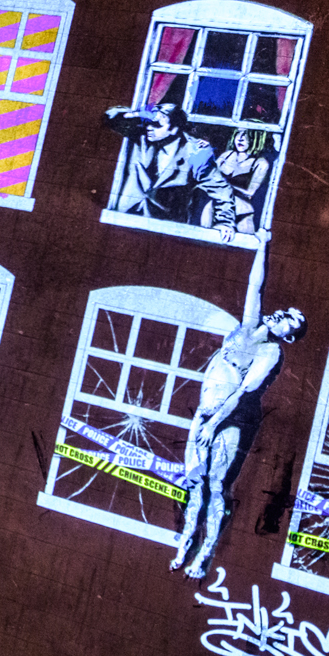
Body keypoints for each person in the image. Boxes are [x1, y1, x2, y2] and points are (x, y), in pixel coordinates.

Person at [172, 233, 305, 578]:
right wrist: (263, 244)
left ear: (288, 335)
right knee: (195, 483)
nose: (282, 315)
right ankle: (186, 540)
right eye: (285, 312)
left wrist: (214, 424)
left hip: (229, 422)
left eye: (291, 320)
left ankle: (204, 553)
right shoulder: (247, 327)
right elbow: (255, 285)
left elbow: (244, 393)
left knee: (216, 486)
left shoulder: (270, 352)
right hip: (205, 415)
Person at [105, 103, 236, 234]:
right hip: (123, 219)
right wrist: (138, 114)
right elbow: (109, 117)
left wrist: (224, 223)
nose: (149, 128)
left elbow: (221, 189)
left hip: (165, 228)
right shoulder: (141, 137)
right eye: (148, 123)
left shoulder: (195, 151)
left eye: (157, 125)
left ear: (174, 128)